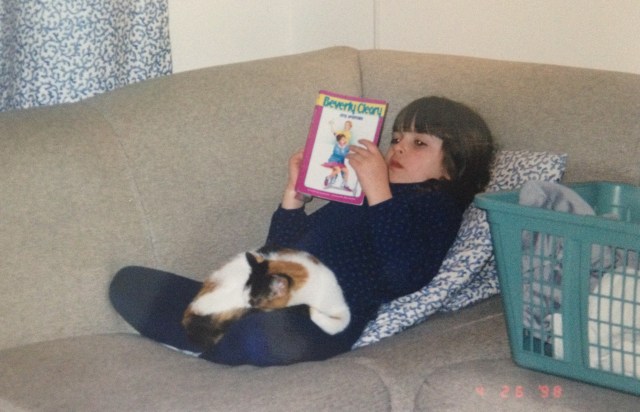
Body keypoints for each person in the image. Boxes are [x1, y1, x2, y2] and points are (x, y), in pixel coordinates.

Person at [109, 96, 495, 366]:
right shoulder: (356, 194)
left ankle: (215, 335)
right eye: (395, 138)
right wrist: (293, 196)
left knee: (267, 335)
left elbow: (403, 274)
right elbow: (279, 248)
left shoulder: (436, 205)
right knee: (128, 283)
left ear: (452, 166)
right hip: (269, 292)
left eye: (418, 143)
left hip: (319, 317)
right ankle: (217, 328)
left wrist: (379, 191)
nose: (396, 149)